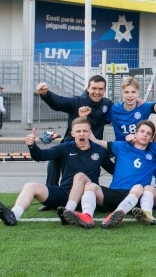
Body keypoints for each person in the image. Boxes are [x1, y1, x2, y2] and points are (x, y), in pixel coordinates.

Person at [0, 118, 114, 226]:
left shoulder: (100, 151)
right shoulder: (65, 147)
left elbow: (113, 169)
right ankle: (13, 215)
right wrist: (32, 145)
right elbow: (41, 156)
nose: (82, 134)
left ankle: (69, 212)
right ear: (72, 133)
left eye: (85, 131)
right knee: (30, 186)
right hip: (64, 195)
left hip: (87, 197)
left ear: (90, 133)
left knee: (80, 177)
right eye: (78, 131)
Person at [61, 120, 156, 229]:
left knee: (139, 187)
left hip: (134, 197)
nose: (145, 135)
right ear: (135, 133)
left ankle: (118, 213)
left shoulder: (154, 152)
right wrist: (84, 120)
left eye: (148, 133)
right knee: (90, 186)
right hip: (114, 192)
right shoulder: (122, 146)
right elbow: (96, 141)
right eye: (142, 131)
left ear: (151, 138)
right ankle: (86, 217)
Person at [36, 75, 113, 208]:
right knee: (54, 159)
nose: (97, 92)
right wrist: (46, 94)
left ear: (104, 90)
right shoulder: (78, 101)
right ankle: (51, 196)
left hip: (93, 146)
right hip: (71, 145)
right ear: (88, 88)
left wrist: (137, 102)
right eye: (94, 88)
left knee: (109, 167)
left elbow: (122, 111)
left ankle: (100, 194)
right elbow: (59, 102)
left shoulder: (107, 104)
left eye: (100, 89)